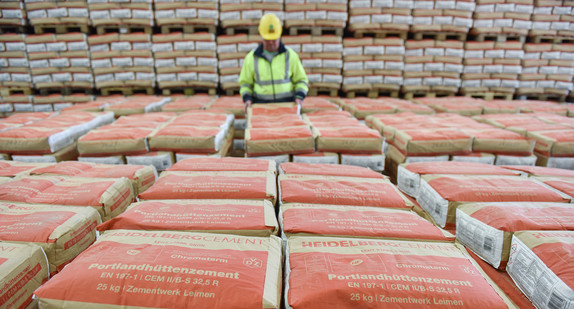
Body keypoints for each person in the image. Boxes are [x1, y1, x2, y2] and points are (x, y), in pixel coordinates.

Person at [239, 13, 309, 113]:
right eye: (268, 39)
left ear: (280, 36)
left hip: (287, 106)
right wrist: (247, 98)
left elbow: (301, 80)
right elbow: (245, 83)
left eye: (274, 39)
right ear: (261, 37)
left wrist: (299, 96)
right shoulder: (251, 58)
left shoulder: (290, 56)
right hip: (261, 106)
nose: (271, 42)